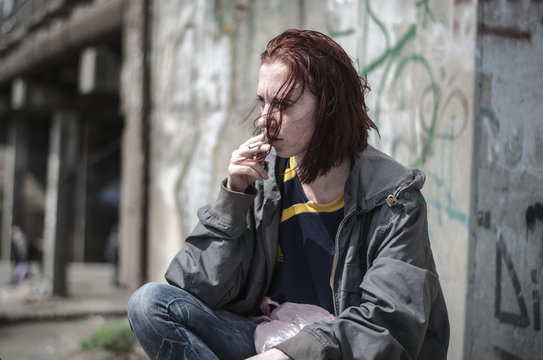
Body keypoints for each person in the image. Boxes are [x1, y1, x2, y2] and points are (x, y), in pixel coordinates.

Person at [127, 29, 449, 359]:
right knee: (149, 304)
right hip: (266, 339)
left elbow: (387, 325)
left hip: (336, 352)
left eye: (283, 104)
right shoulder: (264, 180)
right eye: (263, 102)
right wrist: (232, 199)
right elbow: (196, 289)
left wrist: (289, 355)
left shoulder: (395, 199)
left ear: (329, 108)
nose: (266, 120)